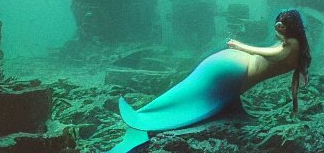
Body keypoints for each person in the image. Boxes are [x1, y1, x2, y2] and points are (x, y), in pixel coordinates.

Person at [108, 9, 312, 153]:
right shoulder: (296, 46)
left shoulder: (290, 46)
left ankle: (145, 116)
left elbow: (273, 54)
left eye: (280, 26)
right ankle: (142, 117)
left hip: (235, 69)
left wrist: (240, 46)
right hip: (232, 70)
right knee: (189, 97)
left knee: (187, 95)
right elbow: (280, 62)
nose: (277, 30)